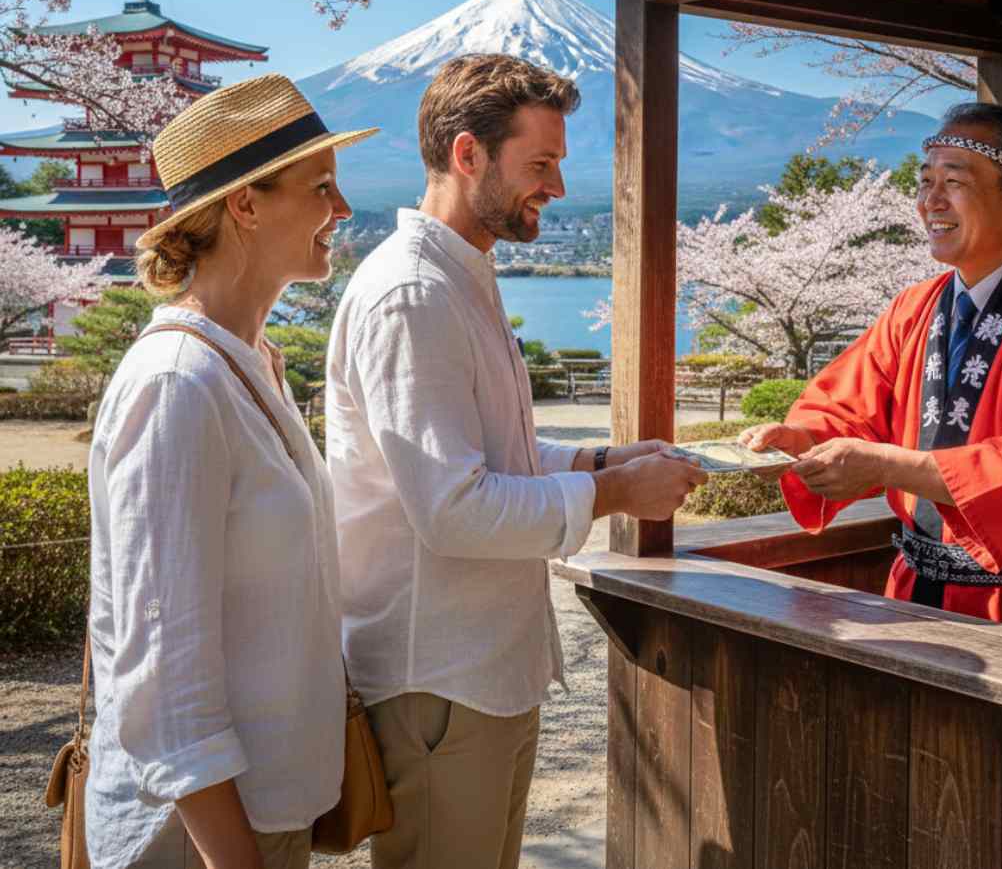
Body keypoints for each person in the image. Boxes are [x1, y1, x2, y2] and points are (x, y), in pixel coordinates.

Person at [326, 53, 706, 869]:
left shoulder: (457, 275)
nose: (557, 187)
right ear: (468, 154)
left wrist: (603, 457)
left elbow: (496, 453)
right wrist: (615, 490)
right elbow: (454, 509)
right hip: (438, 679)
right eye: (540, 164)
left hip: (473, 672)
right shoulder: (415, 295)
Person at [86, 74, 374, 869]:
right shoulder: (178, 384)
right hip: (199, 835)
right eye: (322, 187)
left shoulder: (248, 364)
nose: (344, 210)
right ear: (245, 204)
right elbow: (161, 667)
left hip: (256, 812)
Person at [741, 101, 1002, 639]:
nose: (931, 202)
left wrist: (885, 466)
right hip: (911, 592)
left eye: (954, 182)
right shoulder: (913, 307)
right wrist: (800, 441)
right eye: (925, 182)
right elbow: (849, 407)